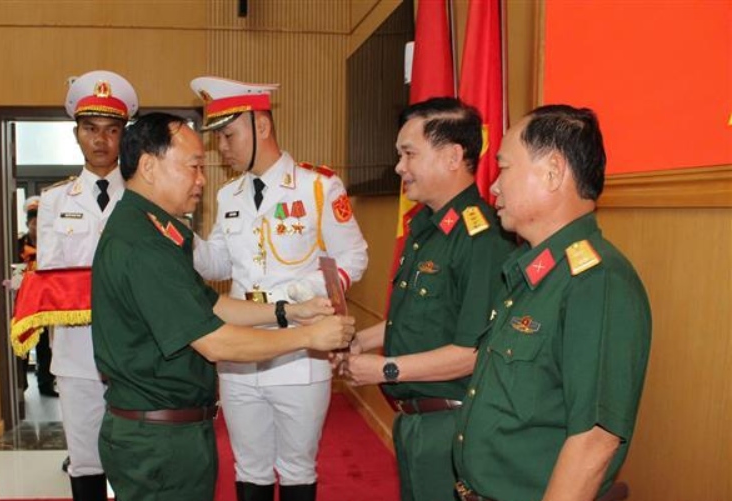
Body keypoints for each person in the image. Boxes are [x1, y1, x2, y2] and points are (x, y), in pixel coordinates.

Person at [91, 112, 355, 501]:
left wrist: (288, 311)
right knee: (252, 469)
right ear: (148, 166)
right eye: (194, 166)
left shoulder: (152, 228)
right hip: (160, 440)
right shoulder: (144, 244)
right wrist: (309, 335)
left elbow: (211, 304)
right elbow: (214, 342)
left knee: (297, 467)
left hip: (167, 430)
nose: (202, 179)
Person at [451, 105, 651, 501]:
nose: (492, 186)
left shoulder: (596, 282)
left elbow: (595, 441)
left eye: (504, 168)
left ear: (553, 171)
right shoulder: (533, 274)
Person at [189, 76, 369, 501]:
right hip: (239, 352)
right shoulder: (229, 194)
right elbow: (218, 262)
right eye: (219, 138)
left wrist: (307, 294)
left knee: (296, 470)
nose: (223, 148)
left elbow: (353, 257)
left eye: (229, 135)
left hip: (298, 353)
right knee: (248, 468)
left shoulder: (318, 187)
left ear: (262, 127)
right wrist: (181, 238)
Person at [339, 97, 515, 501]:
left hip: (451, 425)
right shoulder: (427, 227)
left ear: (453, 156)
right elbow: (419, 318)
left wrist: (384, 369)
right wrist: (360, 342)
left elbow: (474, 352)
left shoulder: (481, 239)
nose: (400, 167)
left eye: (408, 153)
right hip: (416, 422)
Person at [37, 70, 138, 501]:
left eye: (112, 130)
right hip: (77, 355)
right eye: (91, 129)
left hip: (136, 352)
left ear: (123, 137)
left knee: (137, 456)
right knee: (85, 460)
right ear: (76, 134)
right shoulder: (56, 201)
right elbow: (52, 278)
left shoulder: (142, 197)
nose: (101, 140)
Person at [16, 196, 58, 398]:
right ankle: (20, 385)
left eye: (40, 223)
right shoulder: (17, 245)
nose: (36, 227)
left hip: (45, 303)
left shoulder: (52, 245)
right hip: (22, 302)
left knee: (44, 348)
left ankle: (46, 384)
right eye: (33, 223)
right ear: (27, 224)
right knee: (22, 345)